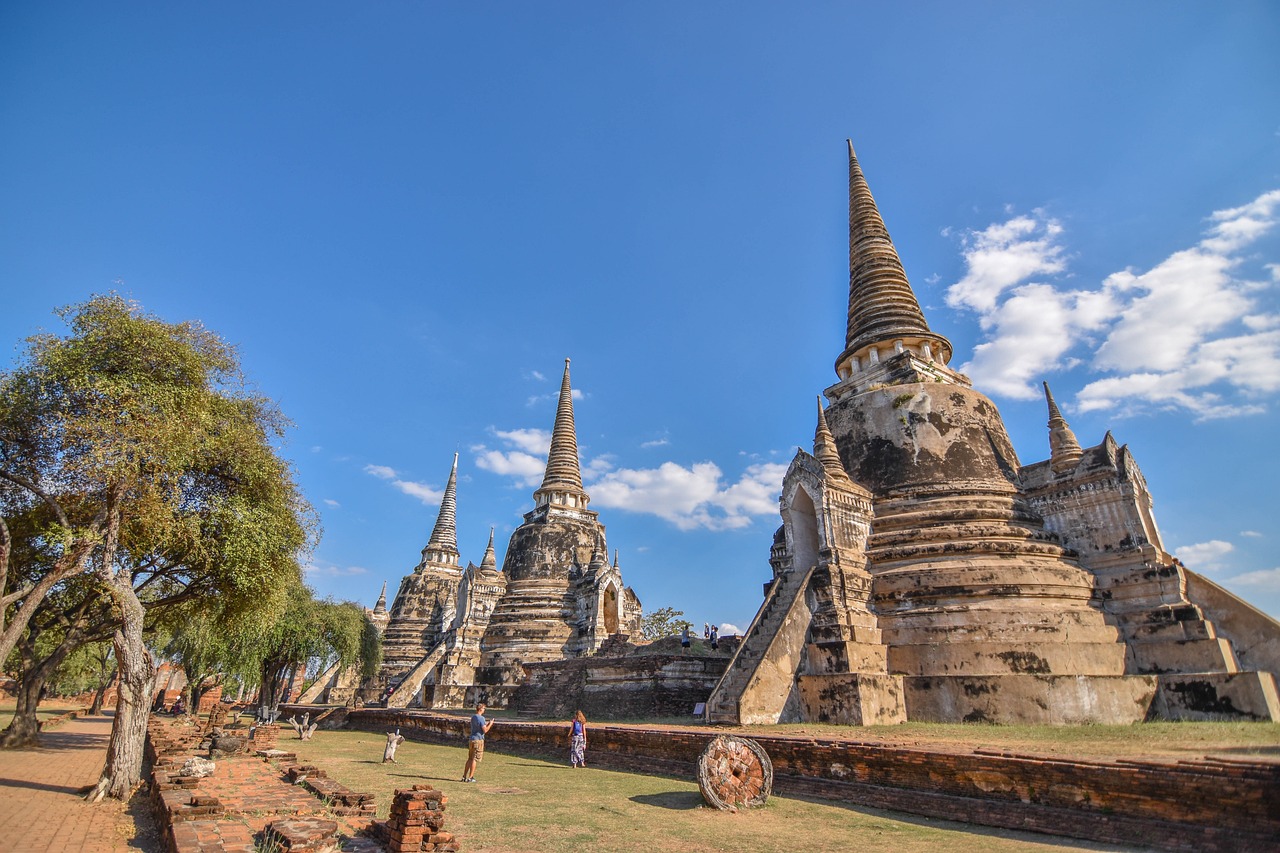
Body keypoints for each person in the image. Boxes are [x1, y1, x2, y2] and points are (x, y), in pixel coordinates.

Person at [461, 701, 493, 782]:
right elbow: (485, 730)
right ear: (481, 709)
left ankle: (464, 776)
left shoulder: (473, 717)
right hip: (478, 740)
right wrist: (490, 724)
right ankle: (470, 777)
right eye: (484, 708)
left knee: (470, 758)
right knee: (474, 759)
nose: (484, 710)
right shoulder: (481, 718)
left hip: (472, 739)